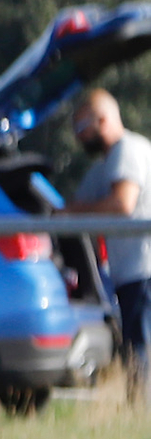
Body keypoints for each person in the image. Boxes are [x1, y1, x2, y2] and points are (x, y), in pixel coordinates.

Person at [67, 88, 151, 385]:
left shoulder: (126, 151)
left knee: (140, 349)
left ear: (102, 119)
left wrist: (72, 214)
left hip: (143, 271)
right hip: (130, 274)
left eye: (81, 127)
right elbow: (74, 205)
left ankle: (139, 416)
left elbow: (121, 204)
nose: (78, 137)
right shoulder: (106, 163)